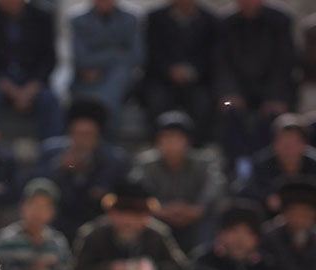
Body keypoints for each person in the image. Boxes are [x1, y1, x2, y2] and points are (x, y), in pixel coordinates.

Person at [30, 98, 131, 244]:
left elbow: (123, 198)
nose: (83, 140)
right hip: (58, 220)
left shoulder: (115, 160)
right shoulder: (51, 153)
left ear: (99, 136)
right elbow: (33, 185)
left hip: (98, 221)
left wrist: (104, 196)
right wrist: (59, 168)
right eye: (78, 134)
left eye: (89, 135)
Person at [216, 0, 297, 174]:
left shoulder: (280, 20)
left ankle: (264, 168)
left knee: (272, 118)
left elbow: (284, 63)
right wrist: (230, 93)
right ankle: (239, 167)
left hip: (272, 93)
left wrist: (275, 97)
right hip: (236, 93)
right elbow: (221, 63)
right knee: (229, 112)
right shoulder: (225, 22)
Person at [131, 111, 225, 254]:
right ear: (157, 141)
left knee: (211, 219)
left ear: (188, 142)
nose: (172, 144)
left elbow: (215, 185)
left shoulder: (204, 162)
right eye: (166, 138)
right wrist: (159, 208)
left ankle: (201, 260)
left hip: (196, 216)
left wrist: (198, 208)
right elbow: (138, 187)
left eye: (177, 138)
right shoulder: (146, 164)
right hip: (158, 215)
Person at [0, 0, 62, 140]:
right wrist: (7, 86)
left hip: (32, 81)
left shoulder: (42, 17)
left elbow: (49, 59)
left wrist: (32, 86)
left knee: (49, 100)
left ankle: (52, 152)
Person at [142, 0, 218, 144]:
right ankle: (159, 146)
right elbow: (152, 52)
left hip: (197, 81)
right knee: (156, 101)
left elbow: (211, 55)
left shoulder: (210, 20)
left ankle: (196, 147)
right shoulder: (155, 17)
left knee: (203, 103)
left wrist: (192, 72)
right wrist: (169, 70)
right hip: (162, 79)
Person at [69, 0, 143, 138]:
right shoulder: (78, 19)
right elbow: (81, 58)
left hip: (119, 79)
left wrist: (98, 60)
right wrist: (116, 53)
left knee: (119, 76)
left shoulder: (130, 18)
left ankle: (107, 140)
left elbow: (136, 57)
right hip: (87, 78)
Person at [237, 114, 316, 216]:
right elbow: (250, 192)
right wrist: (267, 199)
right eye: (284, 143)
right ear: (274, 144)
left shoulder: (314, 164)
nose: (288, 149)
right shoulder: (261, 165)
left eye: (293, 143)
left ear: (304, 144)